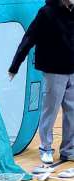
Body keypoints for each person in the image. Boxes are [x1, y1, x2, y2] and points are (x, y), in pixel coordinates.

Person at [9, 0, 74, 164]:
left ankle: (69, 150)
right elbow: (29, 38)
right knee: (50, 111)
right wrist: (15, 64)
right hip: (54, 71)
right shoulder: (46, 13)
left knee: (72, 112)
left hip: (72, 70)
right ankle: (45, 148)